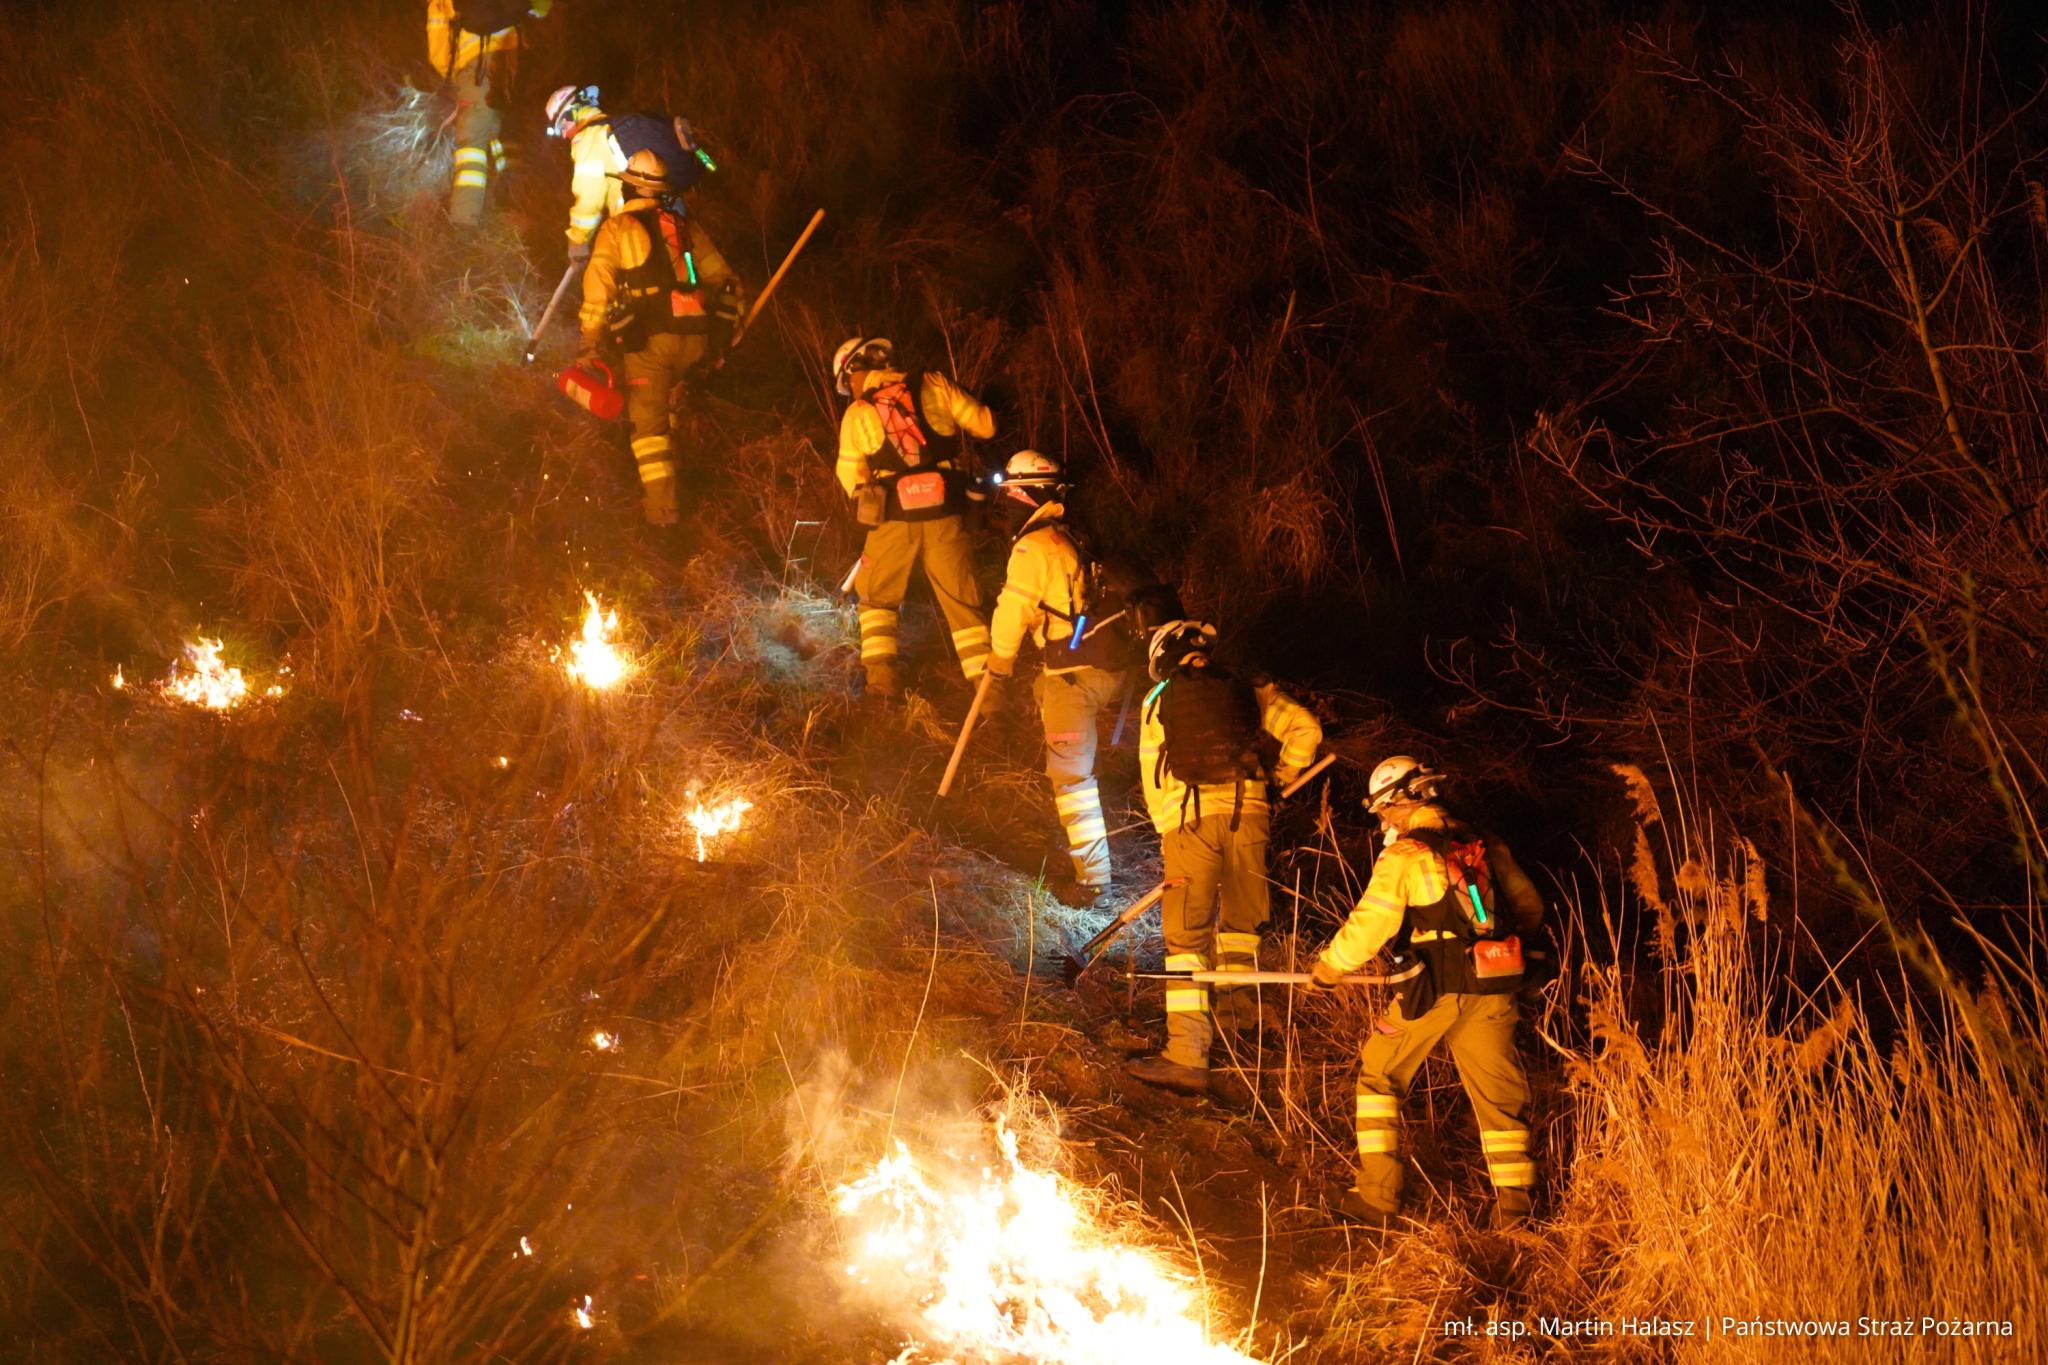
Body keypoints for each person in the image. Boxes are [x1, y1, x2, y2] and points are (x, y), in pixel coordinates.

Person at [1308, 757, 1548, 1229]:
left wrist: (1330, 967)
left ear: (1399, 802)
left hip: (1434, 991)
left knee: (1379, 1076)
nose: (1385, 821)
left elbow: (1372, 923)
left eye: (1384, 811)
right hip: (1495, 987)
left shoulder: (1407, 853)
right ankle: (1516, 1211)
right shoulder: (1483, 843)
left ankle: (1378, 1196)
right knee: (1499, 1097)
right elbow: (1530, 907)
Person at [1124, 622, 1322, 1094]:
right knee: (1241, 930)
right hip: (1249, 815)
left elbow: (1152, 775)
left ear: (1162, 657)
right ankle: (1241, 1039)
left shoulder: (1159, 698)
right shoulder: (1247, 685)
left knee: (1187, 937)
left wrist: (1167, 830)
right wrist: (1276, 781)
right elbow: (1307, 730)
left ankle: (1187, 1055)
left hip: (1190, 819)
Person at [984, 451, 1178, 907]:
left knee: (1072, 780)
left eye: (1010, 492)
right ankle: (1118, 849)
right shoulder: (1070, 532)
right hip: (1109, 669)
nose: (1006, 502)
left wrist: (997, 667)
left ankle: (1094, 884)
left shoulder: (1033, 547)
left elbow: (1011, 614)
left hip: (1074, 678)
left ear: (1024, 493)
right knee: (1086, 761)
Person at [577, 150, 743, 525]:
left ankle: (663, 517)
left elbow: (599, 285)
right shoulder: (684, 227)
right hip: (695, 341)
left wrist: (589, 339)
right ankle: (686, 489)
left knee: (649, 431)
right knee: (671, 413)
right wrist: (729, 336)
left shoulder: (617, 228)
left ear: (629, 187)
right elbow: (725, 280)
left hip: (650, 346)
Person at [832, 338, 995, 700]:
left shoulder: (858, 411)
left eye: (847, 382)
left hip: (893, 519)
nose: (850, 390)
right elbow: (986, 426)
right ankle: (991, 699)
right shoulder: (935, 383)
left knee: (876, 602)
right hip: (946, 514)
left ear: (855, 371)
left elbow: (850, 478)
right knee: (964, 604)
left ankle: (881, 689)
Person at [544, 86, 715, 263]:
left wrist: (578, 241)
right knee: (695, 265)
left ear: (570, 116)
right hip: (671, 204)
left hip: (640, 222)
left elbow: (590, 196)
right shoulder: (612, 125)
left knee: (657, 276)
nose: (563, 135)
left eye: (561, 128)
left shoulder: (587, 139)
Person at [427, 0, 552, 226]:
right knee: (504, 135)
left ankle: (463, 222)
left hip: (477, 67)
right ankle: (514, 205)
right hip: (515, 65)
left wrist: (458, 77)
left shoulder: (440, 2)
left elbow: (438, 54)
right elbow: (543, 8)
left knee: (471, 146)